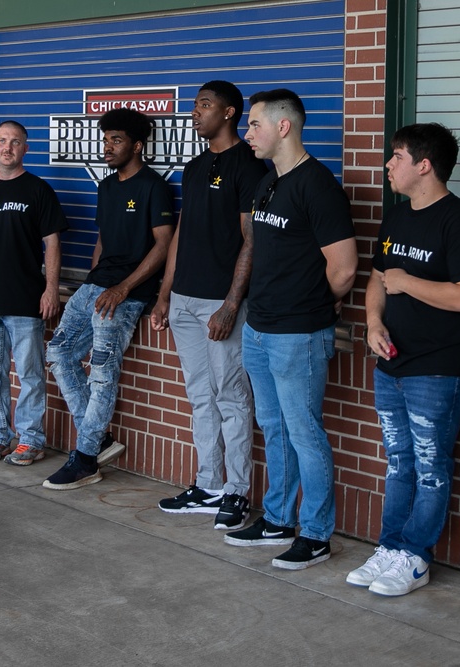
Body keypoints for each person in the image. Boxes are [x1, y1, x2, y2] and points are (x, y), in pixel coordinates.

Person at [348, 123, 460, 596]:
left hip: (440, 367)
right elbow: (375, 279)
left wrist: (407, 282)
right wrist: (373, 324)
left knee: (430, 464)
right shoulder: (396, 218)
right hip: (391, 363)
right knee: (398, 462)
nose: (388, 164)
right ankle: (390, 546)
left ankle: (415, 556)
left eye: (397, 156)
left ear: (424, 165)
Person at [222, 89, 357, 570]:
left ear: (284, 127)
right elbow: (257, 249)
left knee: (305, 432)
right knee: (274, 427)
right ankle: (278, 518)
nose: (247, 133)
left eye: (254, 123)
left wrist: (308, 307)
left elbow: (343, 269)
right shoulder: (267, 183)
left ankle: (316, 534)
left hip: (298, 333)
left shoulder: (317, 186)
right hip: (259, 328)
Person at [150, 81, 268, 530]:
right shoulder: (195, 167)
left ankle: (237, 492)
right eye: (195, 105)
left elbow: (251, 240)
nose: (194, 112)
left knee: (232, 398)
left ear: (230, 112)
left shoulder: (249, 166)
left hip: (221, 304)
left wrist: (231, 304)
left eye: (203, 105)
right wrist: (165, 295)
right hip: (183, 300)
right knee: (201, 398)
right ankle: (208, 485)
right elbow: (182, 232)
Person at [44, 108, 175, 491]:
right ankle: (98, 439)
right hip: (95, 287)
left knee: (102, 372)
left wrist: (124, 288)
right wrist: (94, 279)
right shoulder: (106, 185)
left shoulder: (153, 187)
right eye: (105, 140)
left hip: (127, 294)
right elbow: (103, 239)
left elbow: (164, 244)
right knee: (59, 353)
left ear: (137, 145)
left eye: (116, 140)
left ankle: (85, 459)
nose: (108, 147)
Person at [0, 120, 66, 466]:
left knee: (31, 373)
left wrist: (51, 289)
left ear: (25, 149)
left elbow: (52, 244)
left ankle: (31, 439)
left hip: (24, 299)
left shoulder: (38, 190)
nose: (8, 147)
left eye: (15, 142)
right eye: (2, 141)